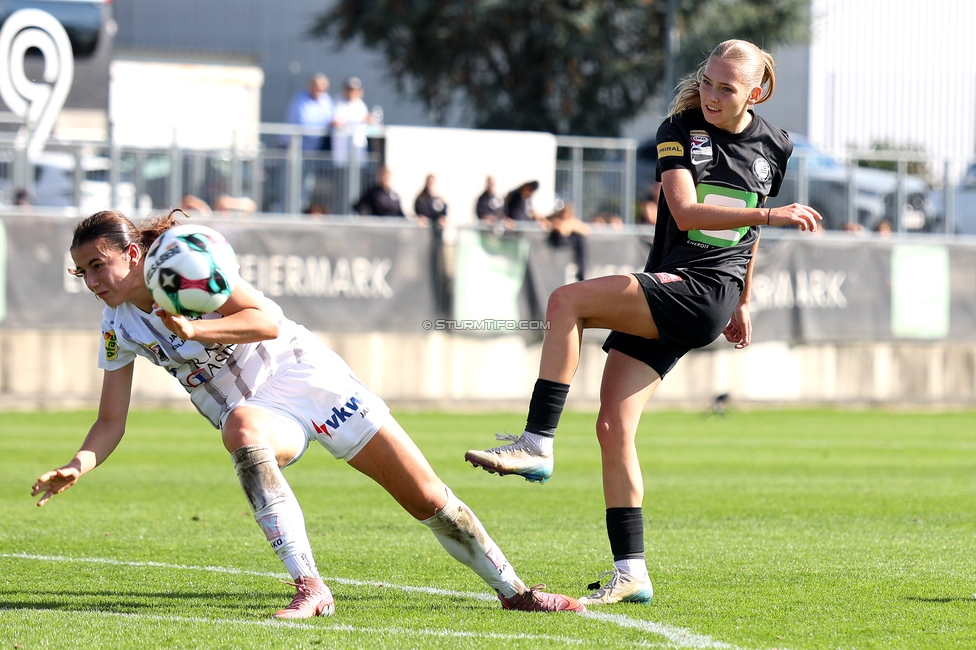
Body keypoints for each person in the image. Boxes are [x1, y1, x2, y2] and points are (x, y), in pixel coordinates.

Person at [32, 209, 586, 619]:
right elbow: (111, 421)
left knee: (428, 498)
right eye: (82, 272)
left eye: (98, 264)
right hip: (260, 411)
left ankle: (516, 592)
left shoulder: (182, 265)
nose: (93, 281)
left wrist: (196, 329)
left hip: (308, 377)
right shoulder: (117, 328)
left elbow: (267, 320)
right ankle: (310, 586)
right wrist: (78, 465)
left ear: (133, 254)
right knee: (241, 427)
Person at [464, 39, 821, 607]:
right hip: (680, 288)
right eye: (707, 80)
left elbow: (746, 238)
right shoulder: (678, 128)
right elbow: (686, 211)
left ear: (757, 92)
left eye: (726, 87)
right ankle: (631, 571)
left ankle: (537, 442)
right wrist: (769, 219)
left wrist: (743, 299)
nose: (710, 94)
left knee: (565, 303)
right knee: (614, 427)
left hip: (704, 293)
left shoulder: (775, 145)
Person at [284, 73, 334, 151]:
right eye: (317, 89)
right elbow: (303, 123)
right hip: (296, 145)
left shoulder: (326, 99)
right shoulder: (300, 99)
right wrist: (326, 126)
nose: (320, 92)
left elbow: (331, 116)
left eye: (323, 89)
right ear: (311, 86)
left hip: (316, 147)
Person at [331, 76, 372, 166]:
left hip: (357, 144)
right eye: (349, 89)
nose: (352, 92)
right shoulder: (337, 102)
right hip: (342, 146)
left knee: (358, 171)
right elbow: (337, 121)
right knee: (342, 172)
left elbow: (365, 120)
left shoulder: (360, 104)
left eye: (354, 89)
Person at [544, 203, 589, 282]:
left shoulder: (572, 222)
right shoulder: (555, 221)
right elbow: (559, 227)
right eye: (563, 213)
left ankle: (581, 272)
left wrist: (569, 227)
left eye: (567, 214)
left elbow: (586, 230)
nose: (564, 216)